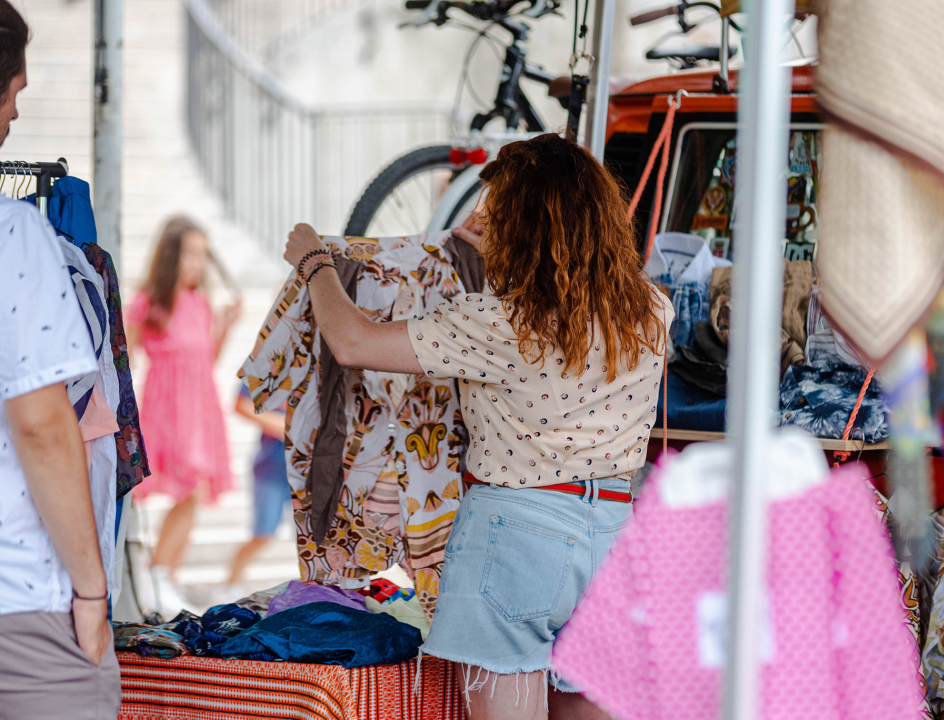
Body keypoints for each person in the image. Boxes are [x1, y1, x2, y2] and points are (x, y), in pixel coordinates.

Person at [284, 133, 672, 720]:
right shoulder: (651, 311)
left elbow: (351, 340)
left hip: (517, 541)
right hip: (615, 538)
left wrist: (316, 263)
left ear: (520, 225)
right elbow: (561, 319)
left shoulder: (500, 323)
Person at [0, 2, 121, 716]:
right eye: (13, 93)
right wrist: (92, 591)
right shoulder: (13, 232)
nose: (14, 116)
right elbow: (42, 422)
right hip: (20, 601)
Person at [127, 217, 241, 615]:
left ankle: (161, 575)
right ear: (172, 255)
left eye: (202, 254)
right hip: (168, 411)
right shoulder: (150, 303)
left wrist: (225, 326)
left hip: (200, 408)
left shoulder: (199, 303)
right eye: (190, 253)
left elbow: (207, 358)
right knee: (186, 490)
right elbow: (123, 351)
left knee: (194, 491)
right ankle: (155, 574)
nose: (198, 262)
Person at [221, 384, 289, 597]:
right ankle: (230, 585)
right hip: (273, 465)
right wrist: (285, 426)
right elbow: (242, 403)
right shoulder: (274, 359)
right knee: (262, 533)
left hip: (318, 469)